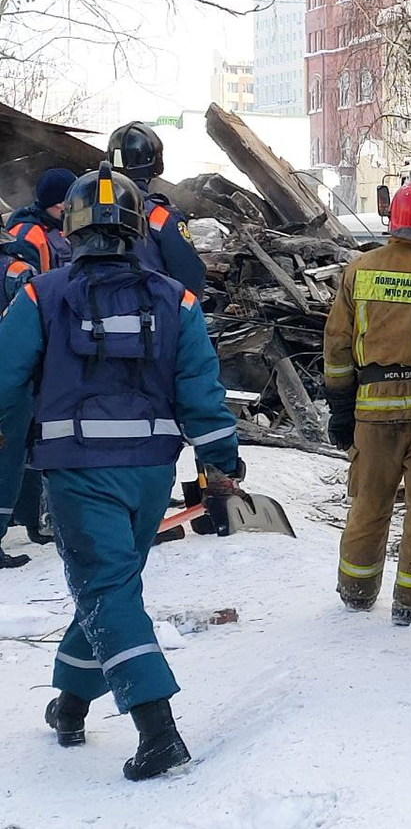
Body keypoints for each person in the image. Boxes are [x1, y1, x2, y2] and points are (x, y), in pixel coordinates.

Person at [0, 162, 241, 779]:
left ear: (72, 230)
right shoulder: (178, 300)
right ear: (136, 229)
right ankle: (72, 705)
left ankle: (158, 729)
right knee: (111, 586)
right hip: (149, 474)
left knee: (105, 589)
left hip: (78, 472)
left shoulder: (41, 294)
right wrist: (220, 462)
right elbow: (201, 393)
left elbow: (4, 378)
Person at [324, 179, 411, 624]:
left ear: (395, 222)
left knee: (369, 501)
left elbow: (337, 346)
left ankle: (356, 590)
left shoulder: (362, 269)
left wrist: (341, 408)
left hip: (374, 410)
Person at [0, 168, 76, 567]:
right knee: (14, 444)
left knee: (26, 440)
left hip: (25, 348)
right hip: (25, 351)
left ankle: (29, 515)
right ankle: (27, 517)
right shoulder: (26, 245)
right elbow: (36, 295)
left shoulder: (43, 234)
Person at [106, 121, 206, 296]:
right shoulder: (159, 216)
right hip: (148, 315)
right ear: (154, 161)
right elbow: (190, 277)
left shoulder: (86, 208)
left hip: (92, 314)